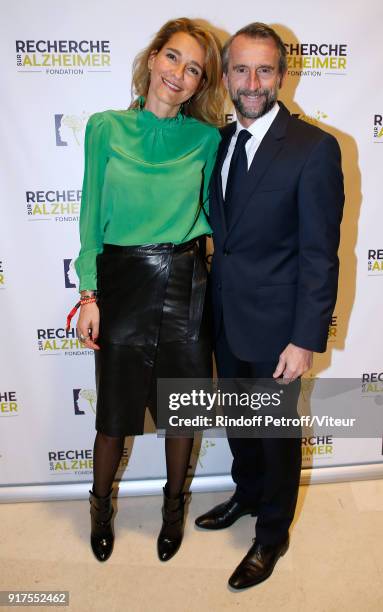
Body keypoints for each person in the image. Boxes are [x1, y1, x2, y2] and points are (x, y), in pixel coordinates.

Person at [195, 23, 344, 590]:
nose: (252, 82)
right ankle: (247, 495)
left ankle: (272, 533)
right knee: (238, 421)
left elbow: (319, 255)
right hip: (226, 318)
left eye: (264, 70)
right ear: (226, 75)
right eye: (240, 69)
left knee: (276, 433)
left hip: (280, 328)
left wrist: (305, 339)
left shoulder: (314, 149)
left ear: (282, 75)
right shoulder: (221, 140)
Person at [73, 17, 224, 563]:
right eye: (172, 58)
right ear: (152, 58)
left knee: (181, 414)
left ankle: (172, 511)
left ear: (201, 84)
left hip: (186, 283)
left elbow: (217, 214)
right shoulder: (104, 127)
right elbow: (91, 214)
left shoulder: (207, 139)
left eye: (193, 69)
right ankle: (99, 509)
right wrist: (89, 294)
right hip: (122, 283)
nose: (178, 75)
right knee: (114, 416)